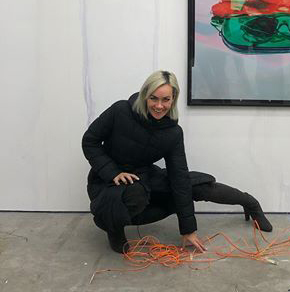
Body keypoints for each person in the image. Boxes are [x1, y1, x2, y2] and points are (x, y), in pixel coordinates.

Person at [82, 70, 272, 253]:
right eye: (154, 98)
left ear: (173, 99)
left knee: (194, 185)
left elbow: (179, 177)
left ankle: (250, 203)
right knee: (134, 195)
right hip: (107, 182)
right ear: (145, 95)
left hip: (144, 177)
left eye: (166, 99)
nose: (159, 106)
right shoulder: (120, 110)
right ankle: (114, 230)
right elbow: (90, 141)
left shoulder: (172, 132)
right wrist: (112, 172)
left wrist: (188, 229)